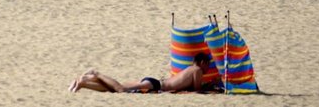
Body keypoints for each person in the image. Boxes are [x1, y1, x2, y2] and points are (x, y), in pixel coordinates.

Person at [70, 53, 220, 93]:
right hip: (156, 85)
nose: (207, 68)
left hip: (154, 82)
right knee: (120, 89)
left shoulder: (190, 68)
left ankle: (83, 82)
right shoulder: (197, 70)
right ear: (202, 62)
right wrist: (211, 84)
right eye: (207, 64)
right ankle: (95, 73)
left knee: (114, 89)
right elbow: (197, 89)